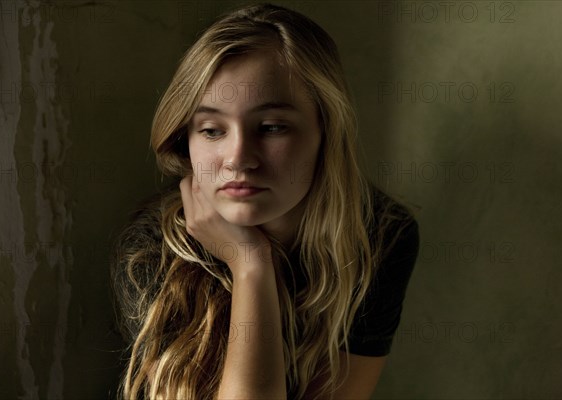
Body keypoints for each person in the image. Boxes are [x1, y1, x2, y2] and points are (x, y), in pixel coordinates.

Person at [111, 3, 420, 399]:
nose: (238, 157)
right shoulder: (153, 249)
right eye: (211, 130)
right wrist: (251, 263)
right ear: (184, 140)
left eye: (272, 127)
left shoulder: (378, 233)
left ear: (325, 132)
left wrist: (248, 260)